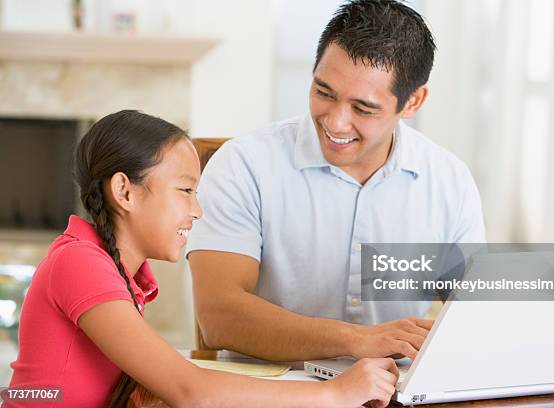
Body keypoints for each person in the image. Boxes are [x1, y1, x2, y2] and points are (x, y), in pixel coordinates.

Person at [6, 110, 399, 408]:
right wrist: (336, 393)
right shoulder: (80, 263)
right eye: (185, 190)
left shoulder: (120, 271)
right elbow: (190, 391)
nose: (197, 211)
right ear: (125, 192)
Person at [187, 0, 486, 362]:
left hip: (393, 392)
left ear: (412, 102)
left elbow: (472, 318)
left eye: (363, 108)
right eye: (323, 93)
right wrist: (360, 341)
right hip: (275, 391)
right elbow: (219, 317)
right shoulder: (244, 164)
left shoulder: (449, 181)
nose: (335, 122)